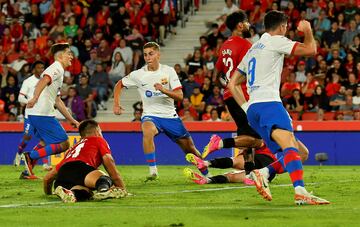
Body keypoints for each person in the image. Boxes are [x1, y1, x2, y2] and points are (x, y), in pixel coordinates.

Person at [229, 10, 330, 205]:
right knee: (290, 147)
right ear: (282, 27)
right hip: (269, 104)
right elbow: (310, 50)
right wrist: (308, 30)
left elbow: (232, 83)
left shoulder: (253, 49)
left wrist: (246, 105)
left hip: (254, 111)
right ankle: (300, 192)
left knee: (301, 153)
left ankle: (263, 173)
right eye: (286, 27)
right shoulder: (275, 41)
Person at [113, 42, 210, 181]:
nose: (147, 57)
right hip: (151, 115)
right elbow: (119, 84)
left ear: (158, 54)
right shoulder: (138, 74)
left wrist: (163, 89)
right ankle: (153, 171)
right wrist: (116, 104)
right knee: (147, 131)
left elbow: (180, 96)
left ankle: (208, 174)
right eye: (145, 54)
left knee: (190, 149)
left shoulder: (169, 71)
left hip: (170, 117)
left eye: (151, 54)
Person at [201, 11, 263, 166]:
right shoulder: (246, 45)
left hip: (229, 96)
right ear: (240, 25)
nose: (249, 25)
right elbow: (250, 72)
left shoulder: (224, 47)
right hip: (242, 95)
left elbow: (216, 75)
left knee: (244, 134)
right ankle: (220, 143)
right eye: (247, 22)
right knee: (257, 140)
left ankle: (249, 171)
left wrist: (227, 86)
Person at [22, 43, 80, 178]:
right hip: (42, 114)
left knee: (44, 142)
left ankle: (27, 171)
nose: (71, 56)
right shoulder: (57, 68)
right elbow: (44, 80)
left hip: (35, 113)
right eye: (68, 53)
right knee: (64, 143)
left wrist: (71, 120)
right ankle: (30, 156)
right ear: (60, 55)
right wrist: (35, 97)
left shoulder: (58, 70)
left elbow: (57, 101)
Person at [43, 120, 127, 203]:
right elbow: (109, 160)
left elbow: (48, 178)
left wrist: (49, 194)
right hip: (82, 169)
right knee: (104, 178)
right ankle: (103, 190)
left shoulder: (72, 149)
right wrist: (121, 188)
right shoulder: (98, 140)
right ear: (97, 131)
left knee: (87, 192)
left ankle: (71, 193)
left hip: (62, 176)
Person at [184, 142, 309, 185]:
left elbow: (254, 144)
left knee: (236, 161)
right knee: (232, 176)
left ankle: (206, 164)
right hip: (268, 170)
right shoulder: (275, 135)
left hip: (263, 159)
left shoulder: (260, 135)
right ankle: (207, 180)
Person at [14, 60, 53, 175]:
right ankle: (19, 153)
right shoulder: (28, 81)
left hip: (42, 114)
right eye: (39, 68)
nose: (41, 69)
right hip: (30, 114)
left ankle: (45, 163)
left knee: (44, 139)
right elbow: (20, 98)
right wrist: (29, 101)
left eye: (42, 67)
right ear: (33, 70)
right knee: (27, 137)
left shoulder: (47, 80)